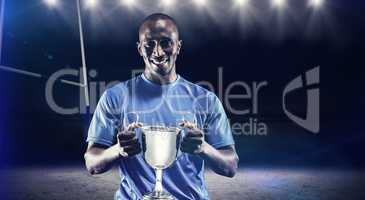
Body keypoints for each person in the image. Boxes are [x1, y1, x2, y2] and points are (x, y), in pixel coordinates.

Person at [84, 13, 239, 200]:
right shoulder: (115, 97)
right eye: (149, 44)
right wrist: (118, 150)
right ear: (140, 48)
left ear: (178, 47)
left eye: (166, 43)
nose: (157, 52)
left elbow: (231, 166)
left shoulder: (206, 100)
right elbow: (92, 162)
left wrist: (204, 148)